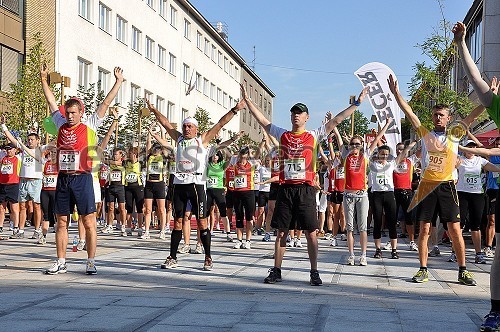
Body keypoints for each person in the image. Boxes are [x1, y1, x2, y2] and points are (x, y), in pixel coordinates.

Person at [244, 82, 369, 285]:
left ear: (306, 117)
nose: (296, 115)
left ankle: (314, 271)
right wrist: (249, 102)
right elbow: (263, 121)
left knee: (311, 232)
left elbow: (337, 120)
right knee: (282, 232)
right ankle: (276, 269)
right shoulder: (282, 134)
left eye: (300, 113)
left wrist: (356, 104)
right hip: (286, 189)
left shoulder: (313, 135)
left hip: (305, 189)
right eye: (293, 112)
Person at [388, 64, 483, 286]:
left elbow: (472, 116)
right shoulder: (424, 133)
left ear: (449, 118)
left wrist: (490, 97)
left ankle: (463, 270)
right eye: (435, 115)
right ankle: (422, 268)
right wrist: (396, 94)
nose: (437, 118)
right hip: (427, 187)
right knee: (425, 229)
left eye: (441, 115)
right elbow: (409, 113)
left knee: (454, 230)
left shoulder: (455, 134)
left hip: (447, 186)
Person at [40, 64, 124, 275]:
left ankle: (91, 261)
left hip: (83, 178)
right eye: (67, 113)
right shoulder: (60, 124)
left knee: (88, 222)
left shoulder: (91, 124)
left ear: (81, 113)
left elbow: (105, 103)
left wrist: (118, 82)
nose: (69, 116)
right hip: (64, 179)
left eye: (73, 113)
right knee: (61, 221)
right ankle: (61, 261)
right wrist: (43, 80)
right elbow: (51, 102)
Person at [146, 97, 245, 271]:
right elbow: (166, 123)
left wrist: (235, 109)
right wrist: (153, 110)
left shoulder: (202, 140)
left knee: (202, 223)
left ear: (196, 129)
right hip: (179, 184)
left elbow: (220, 123)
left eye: (190, 126)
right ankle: (172, 256)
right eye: (185, 126)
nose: (187, 128)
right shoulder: (178, 139)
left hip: (197, 185)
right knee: (177, 221)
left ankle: (208, 257)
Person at [457, 138, 500, 264]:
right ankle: (456, 252)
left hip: (477, 195)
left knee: (476, 225)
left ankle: (478, 253)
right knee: (459, 225)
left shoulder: (480, 160)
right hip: (462, 194)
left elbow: (494, 168)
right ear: (465, 149)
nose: (471, 149)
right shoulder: (460, 160)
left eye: (473, 147)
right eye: (469, 147)